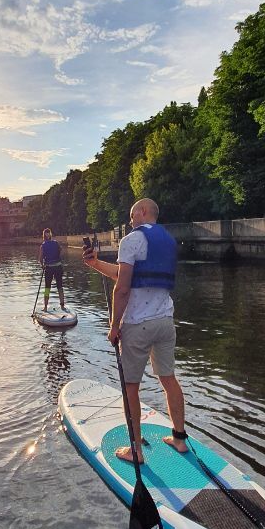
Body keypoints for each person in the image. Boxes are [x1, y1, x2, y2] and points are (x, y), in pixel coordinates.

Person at [84, 198, 188, 463]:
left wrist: (114, 326)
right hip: (165, 321)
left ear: (143, 212)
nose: (130, 221)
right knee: (168, 379)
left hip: (138, 325)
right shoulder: (167, 240)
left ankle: (136, 451)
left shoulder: (131, 240)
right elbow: (128, 275)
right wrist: (96, 264)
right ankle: (179, 438)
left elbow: (123, 288)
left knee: (131, 388)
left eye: (132, 215)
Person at [39, 228, 66, 311]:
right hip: (58, 266)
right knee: (60, 286)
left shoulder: (43, 245)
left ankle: (45, 307)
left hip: (49, 268)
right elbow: (61, 251)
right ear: (50, 235)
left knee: (47, 288)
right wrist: (58, 258)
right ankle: (62, 306)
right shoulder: (56, 243)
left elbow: (40, 258)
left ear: (44, 236)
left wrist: (42, 265)